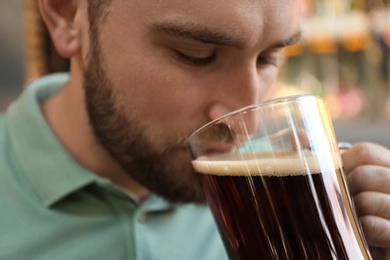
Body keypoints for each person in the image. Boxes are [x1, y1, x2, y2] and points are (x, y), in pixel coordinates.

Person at [1, 0, 389, 259]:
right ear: (68, 16)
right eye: (197, 56)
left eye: (268, 58)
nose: (246, 123)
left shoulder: (279, 203)